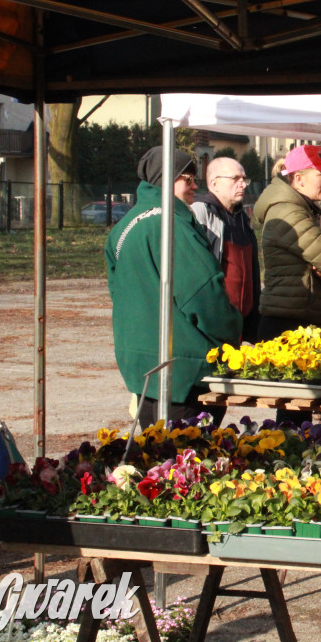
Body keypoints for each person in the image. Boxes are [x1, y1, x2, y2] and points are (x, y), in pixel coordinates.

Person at [106, 146, 242, 430]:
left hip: (142, 366)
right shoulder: (172, 225)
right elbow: (204, 296)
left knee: (160, 463)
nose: (195, 186)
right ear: (163, 180)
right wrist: (233, 335)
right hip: (184, 368)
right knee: (189, 466)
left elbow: (118, 293)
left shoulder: (124, 226)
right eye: (186, 178)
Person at [253, 144, 321, 427]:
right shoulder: (287, 212)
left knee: (299, 412)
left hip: (300, 318)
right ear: (299, 178)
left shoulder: (307, 210)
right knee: (292, 413)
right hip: (287, 323)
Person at [190, 156, 261, 343]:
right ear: (214, 184)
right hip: (214, 327)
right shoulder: (199, 213)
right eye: (235, 179)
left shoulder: (243, 219)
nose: (243, 184)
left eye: (244, 179)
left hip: (243, 326)